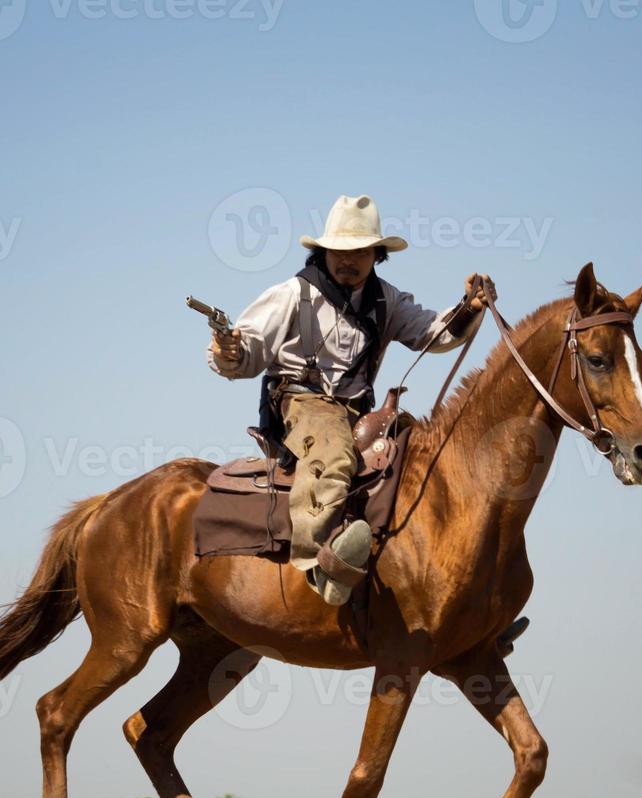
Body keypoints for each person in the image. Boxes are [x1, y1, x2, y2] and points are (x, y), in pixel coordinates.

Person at [207, 194, 497, 605]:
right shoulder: (292, 294)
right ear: (323, 251)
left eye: (359, 251)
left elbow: (431, 334)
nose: (348, 259)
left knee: (421, 457)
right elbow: (248, 348)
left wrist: (469, 307)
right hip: (300, 403)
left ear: (377, 255)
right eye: (339, 251)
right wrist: (229, 352)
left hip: (361, 411)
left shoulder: (387, 300)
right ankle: (318, 566)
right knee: (334, 453)